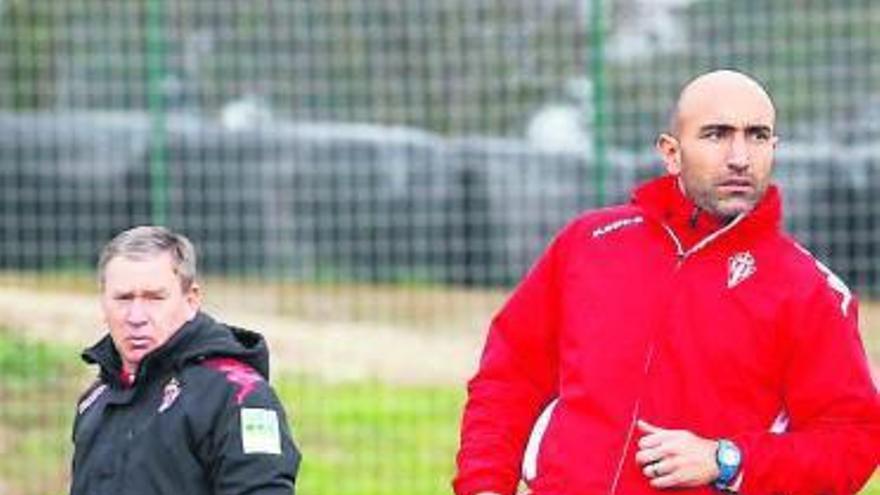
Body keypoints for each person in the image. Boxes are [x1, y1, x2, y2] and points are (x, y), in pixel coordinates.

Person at [453, 70, 879, 495]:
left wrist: (726, 460)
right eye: (716, 134)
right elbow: (508, 377)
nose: (739, 156)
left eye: (757, 135)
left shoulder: (809, 290)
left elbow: (853, 440)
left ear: (774, 148)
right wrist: (484, 486)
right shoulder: (588, 244)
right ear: (671, 152)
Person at [70, 225, 300, 495]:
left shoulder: (239, 395)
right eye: (123, 298)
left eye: (155, 298)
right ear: (102, 303)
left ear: (191, 300)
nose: (136, 317)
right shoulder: (96, 399)